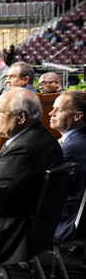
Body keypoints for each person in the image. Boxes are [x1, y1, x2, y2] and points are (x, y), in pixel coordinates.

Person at [0, 89, 63, 265]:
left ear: (21, 117)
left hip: (4, 237)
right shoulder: (44, 138)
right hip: (30, 232)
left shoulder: (23, 149)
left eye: (0, 112)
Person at [49, 91, 86, 243]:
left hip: (64, 220)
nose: (51, 113)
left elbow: (51, 191)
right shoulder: (77, 141)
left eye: (58, 110)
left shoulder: (70, 148)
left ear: (78, 116)